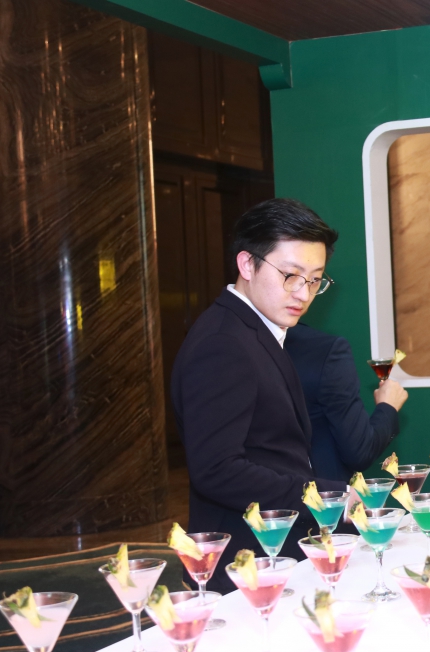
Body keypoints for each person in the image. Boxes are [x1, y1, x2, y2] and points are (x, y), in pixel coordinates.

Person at [171, 198, 346, 593]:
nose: (303, 293)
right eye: (291, 275)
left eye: (315, 280)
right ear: (247, 264)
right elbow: (217, 469)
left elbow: (270, 449)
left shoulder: (253, 330)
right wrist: (322, 496)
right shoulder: (223, 342)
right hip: (245, 562)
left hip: (272, 549)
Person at [286, 321, 408, 481]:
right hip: (322, 490)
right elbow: (360, 452)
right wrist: (388, 406)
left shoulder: (255, 342)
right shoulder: (325, 349)